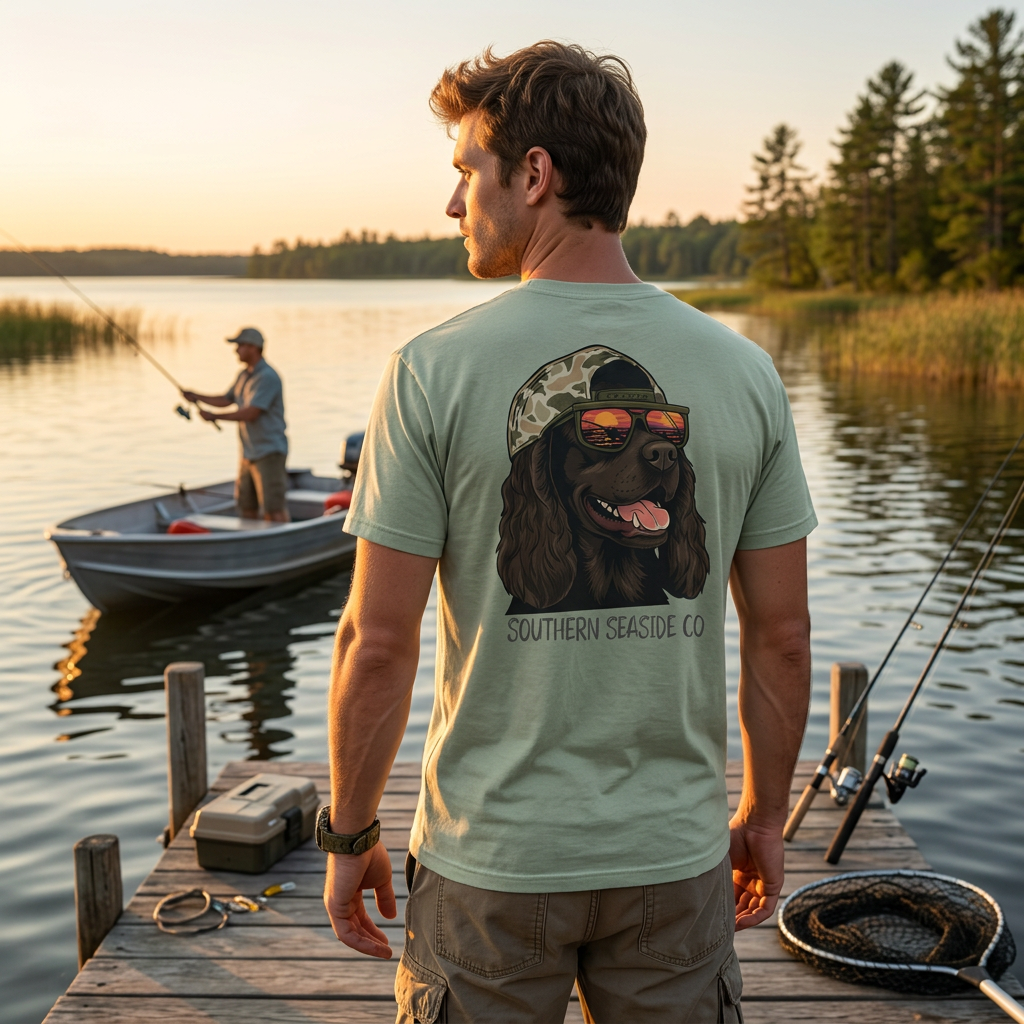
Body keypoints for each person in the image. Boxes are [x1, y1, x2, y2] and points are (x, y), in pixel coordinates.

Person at [320, 42, 815, 1023]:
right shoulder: (745, 371)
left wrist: (350, 833)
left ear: (534, 175)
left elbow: (376, 643)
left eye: (467, 170)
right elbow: (783, 637)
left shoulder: (429, 371)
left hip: (490, 862)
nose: (453, 203)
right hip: (674, 860)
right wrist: (763, 816)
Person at [182, 327, 290, 523]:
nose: (236, 350)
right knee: (246, 506)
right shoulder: (244, 375)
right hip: (248, 454)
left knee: (273, 508)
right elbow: (226, 399)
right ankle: (253, 539)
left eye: (240, 345)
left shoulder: (267, 377)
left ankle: (284, 539)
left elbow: (251, 413)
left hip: (269, 452)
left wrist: (214, 416)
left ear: (253, 347)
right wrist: (196, 396)